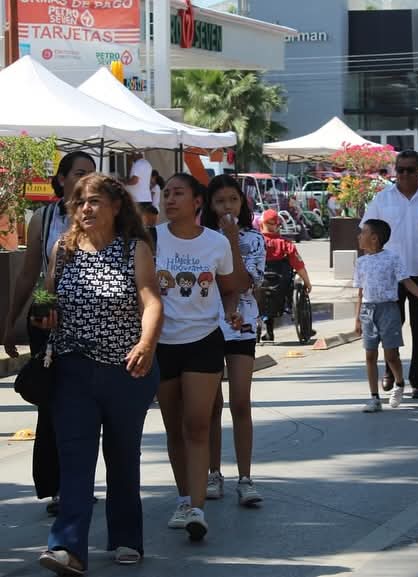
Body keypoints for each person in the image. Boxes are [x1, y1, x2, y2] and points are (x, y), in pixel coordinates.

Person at [35, 174, 162, 574]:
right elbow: (46, 291)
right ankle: (67, 548)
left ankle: (126, 537)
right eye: (80, 202)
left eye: (94, 201)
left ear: (116, 206)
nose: (86, 208)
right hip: (72, 369)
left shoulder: (134, 249)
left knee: (123, 456)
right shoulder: (64, 249)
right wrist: (41, 310)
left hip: (127, 369)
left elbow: (152, 301)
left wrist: (146, 345)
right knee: (75, 459)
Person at [2, 151, 95, 516]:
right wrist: (13, 319)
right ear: (60, 180)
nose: (85, 179)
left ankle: (79, 483)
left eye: (91, 173)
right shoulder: (46, 216)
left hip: (94, 319)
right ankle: (57, 487)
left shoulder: (106, 217)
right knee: (52, 406)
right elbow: (33, 274)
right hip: (49, 313)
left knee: (87, 410)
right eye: (78, 173)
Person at [154, 173, 243, 541]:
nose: (169, 199)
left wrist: (232, 309)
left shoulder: (216, 243)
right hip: (161, 343)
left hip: (204, 339)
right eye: (165, 194)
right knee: (174, 427)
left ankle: (197, 509)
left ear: (196, 202)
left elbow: (230, 288)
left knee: (197, 424)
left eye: (178, 193)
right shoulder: (149, 239)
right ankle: (184, 497)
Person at [201, 175, 267, 506]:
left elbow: (242, 282)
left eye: (233, 200)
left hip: (242, 325)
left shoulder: (253, 239)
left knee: (240, 401)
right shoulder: (199, 239)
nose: (227, 207)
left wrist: (231, 240)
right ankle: (213, 472)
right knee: (211, 405)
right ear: (209, 206)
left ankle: (246, 476)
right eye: (220, 201)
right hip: (207, 326)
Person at [362, 150, 418, 399]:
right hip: (388, 276)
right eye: (401, 170)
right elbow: (366, 233)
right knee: (389, 328)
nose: (405, 174)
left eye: (410, 169)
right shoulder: (382, 199)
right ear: (394, 171)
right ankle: (390, 372)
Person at [354, 219, 418, 412]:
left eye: (363, 232)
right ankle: (374, 397)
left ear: (374, 238)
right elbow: (360, 292)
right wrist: (357, 318)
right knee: (370, 354)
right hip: (368, 310)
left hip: (388, 309)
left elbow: (407, 282)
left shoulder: (392, 258)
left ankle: (399, 382)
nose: (359, 236)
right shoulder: (361, 262)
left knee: (391, 354)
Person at [259, 209, 312, 341]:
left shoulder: (255, 242)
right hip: (282, 284)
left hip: (259, 284)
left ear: (261, 224)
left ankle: (267, 331)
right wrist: (307, 282)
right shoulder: (286, 244)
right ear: (277, 225)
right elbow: (299, 266)